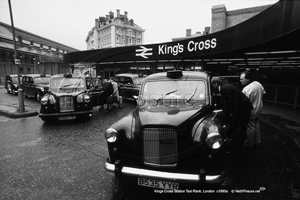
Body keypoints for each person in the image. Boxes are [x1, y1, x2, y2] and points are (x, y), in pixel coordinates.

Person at [211, 77, 253, 154]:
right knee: (238, 128)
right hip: (243, 108)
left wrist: (224, 119)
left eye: (212, 85)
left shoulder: (224, 89)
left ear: (215, 83)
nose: (212, 87)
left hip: (243, 109)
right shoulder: (225, 86)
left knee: (239, 129)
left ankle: (236, 150)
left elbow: (228, 105)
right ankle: (237, 148)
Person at [240, 71, 266, 147]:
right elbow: (263, 93)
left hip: (251, 111)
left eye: (242, 79)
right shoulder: (258, 84)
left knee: (250, 127)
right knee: (256, 124)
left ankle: (249, 143)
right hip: (259, 108)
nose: (240, 81)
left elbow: (243, 102)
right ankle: (257, 141)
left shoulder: (246, 89)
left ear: (248, 79)